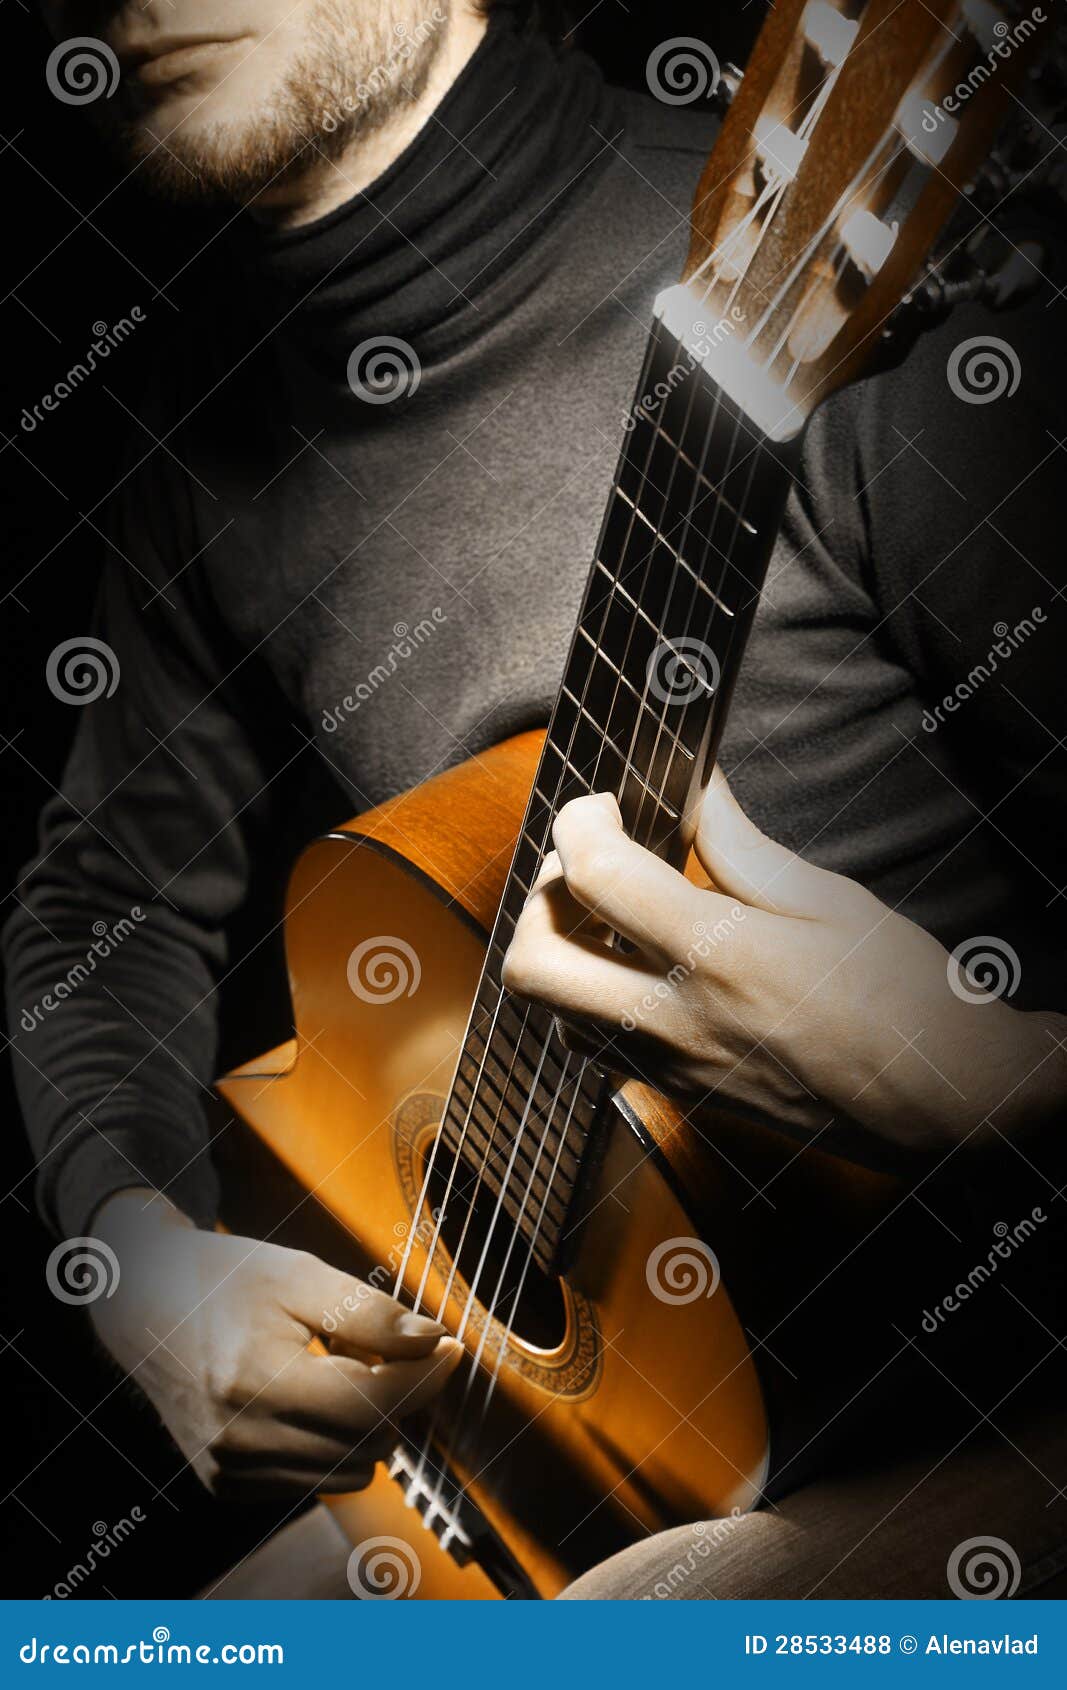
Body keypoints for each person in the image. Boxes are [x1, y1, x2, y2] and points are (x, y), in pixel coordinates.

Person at [7, 0, 1066, 1597]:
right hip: (534, 1427)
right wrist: (138, 1263)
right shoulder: (201, 434)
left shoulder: (874, 312)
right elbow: (105, 902)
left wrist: (998, 1081)